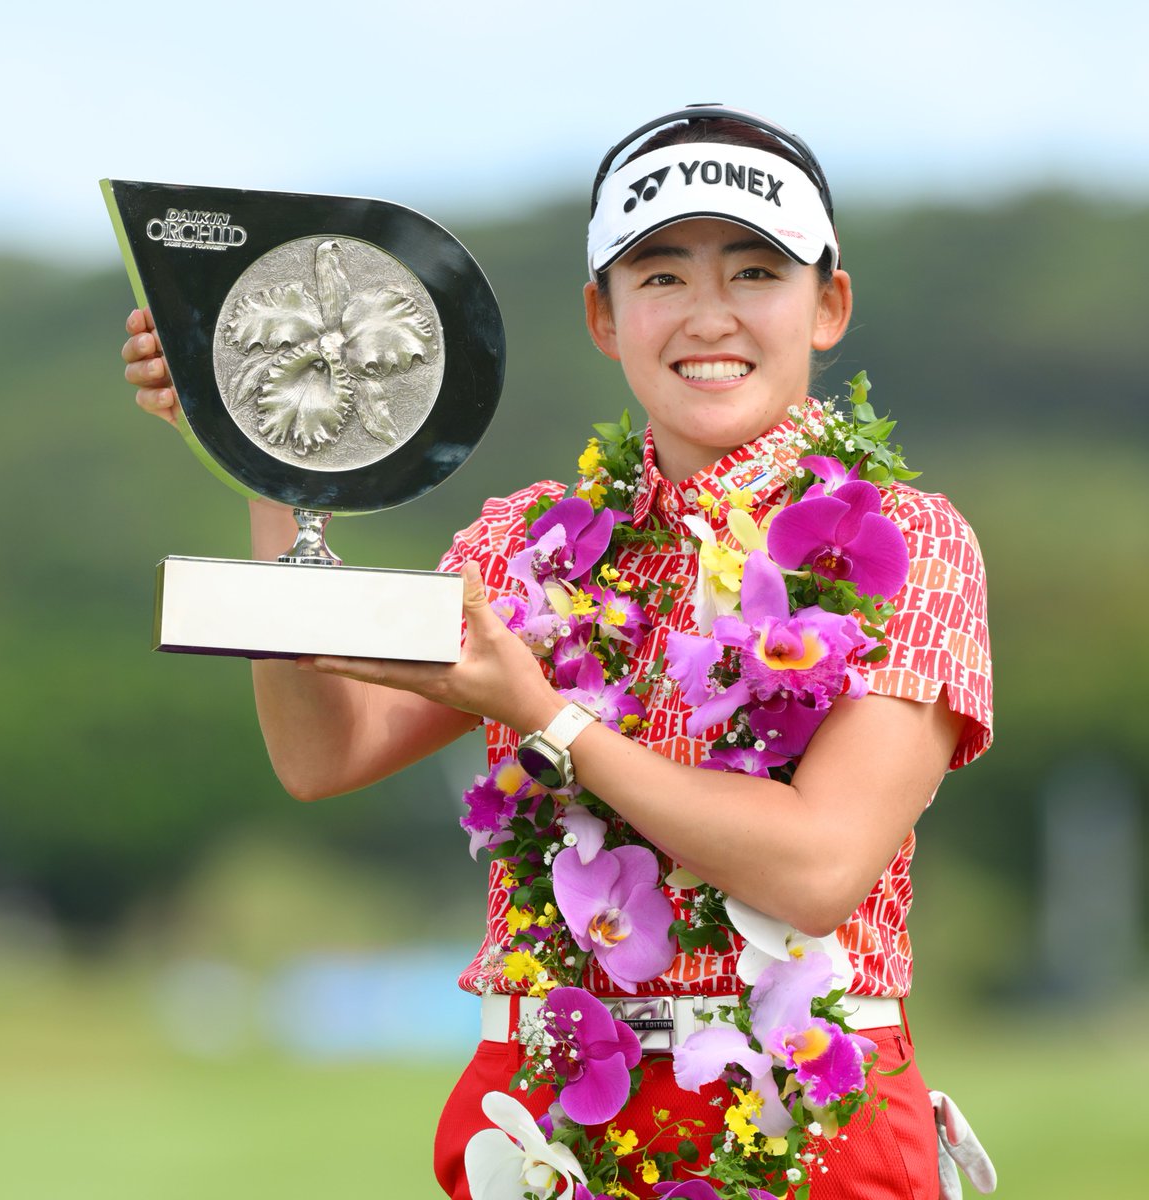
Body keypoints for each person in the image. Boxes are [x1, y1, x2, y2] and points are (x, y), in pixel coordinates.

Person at [121, 105, 995, 1200]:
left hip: (805, 1111)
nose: (707, 315)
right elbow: (325, 754)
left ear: (829, 305)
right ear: (602, 313)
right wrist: (265, 458)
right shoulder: (527, 540)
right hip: (548, 1107)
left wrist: (547, 718)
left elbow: (818, 869)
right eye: (662, 276)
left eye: (756, 273)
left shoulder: (908, 538)